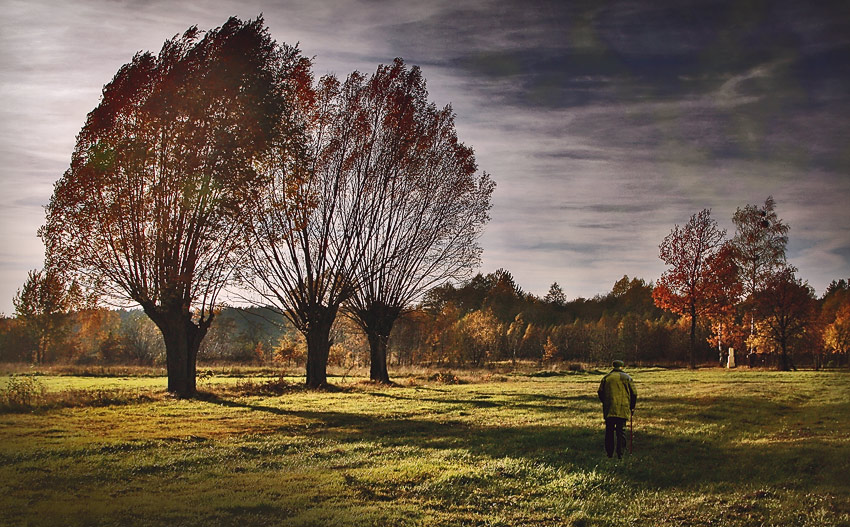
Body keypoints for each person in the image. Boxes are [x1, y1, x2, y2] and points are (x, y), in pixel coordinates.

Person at [597, 360, 637, 459]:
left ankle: (609, 453)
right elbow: (634, 394)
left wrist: (605, 402)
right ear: (622, 367)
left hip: (609, 408)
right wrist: (632, 407)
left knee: (609, 431)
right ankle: (621, 453)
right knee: (621, 431)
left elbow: (600, 392)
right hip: (623, 409)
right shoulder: (627, 378)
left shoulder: (606, 378)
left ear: (613, 366)